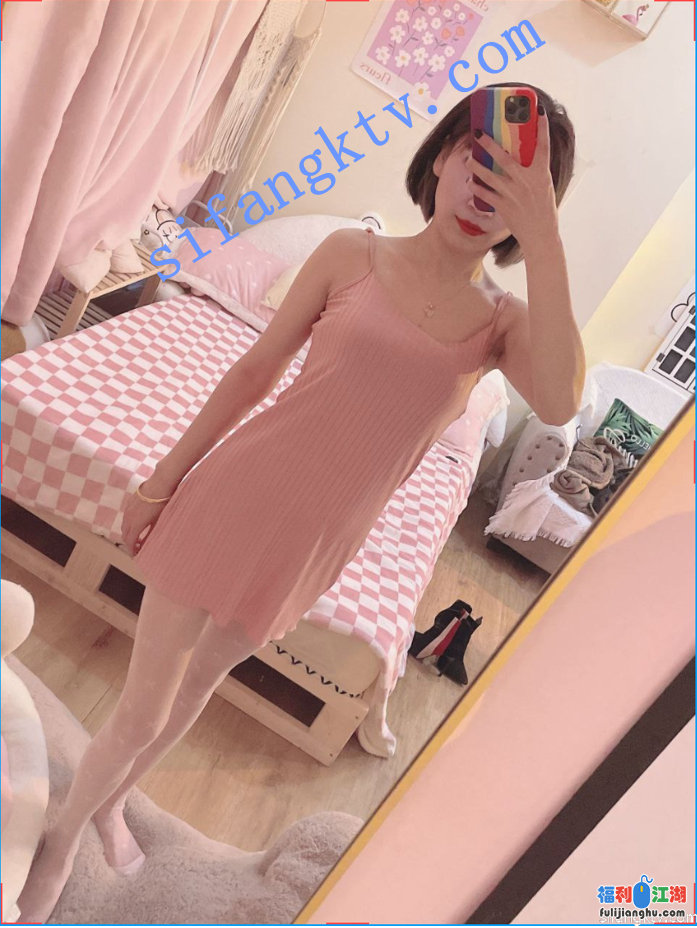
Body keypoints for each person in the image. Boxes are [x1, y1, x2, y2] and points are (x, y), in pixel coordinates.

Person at [18, 81, 586, 922]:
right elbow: (253, 372)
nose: (485, 189)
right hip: (233, 497)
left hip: (316, 542)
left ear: (533, 211)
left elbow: (562, 399)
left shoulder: (500, 325)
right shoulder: (350, 254)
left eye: (516, 185)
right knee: (141, 708)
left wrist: (544, 240)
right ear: (441, 156)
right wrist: (158, 481)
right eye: (480, 158)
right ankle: (63, 838)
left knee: (196, 690)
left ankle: (111, 802)